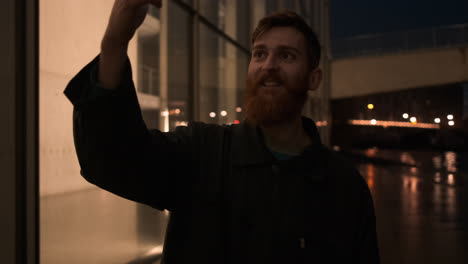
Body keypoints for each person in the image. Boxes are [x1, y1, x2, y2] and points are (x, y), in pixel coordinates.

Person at [64, 0, 380, 263]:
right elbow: (110, 160)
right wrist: (115, 43)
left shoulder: (344, 187)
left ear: (314, 79)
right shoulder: (202, 152)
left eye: (286, 55)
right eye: (259, 54)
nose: (268, 65)